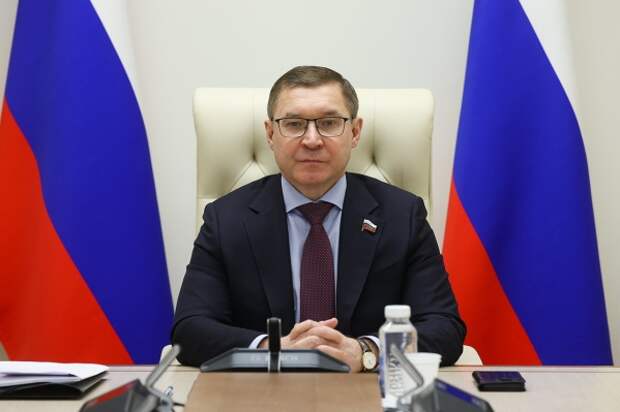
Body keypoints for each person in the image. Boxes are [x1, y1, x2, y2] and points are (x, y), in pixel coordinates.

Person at [172, 66, 465, 371]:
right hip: (264, 387)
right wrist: (273, 349)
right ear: (270, 134)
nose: (312, 140)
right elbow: (190, 330)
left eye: (329, 123)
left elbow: (444, 328)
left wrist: (367, 351)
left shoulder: (402, 215)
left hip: (366, 386)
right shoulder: (226, 219)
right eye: (294, 124)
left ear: (355, 132)